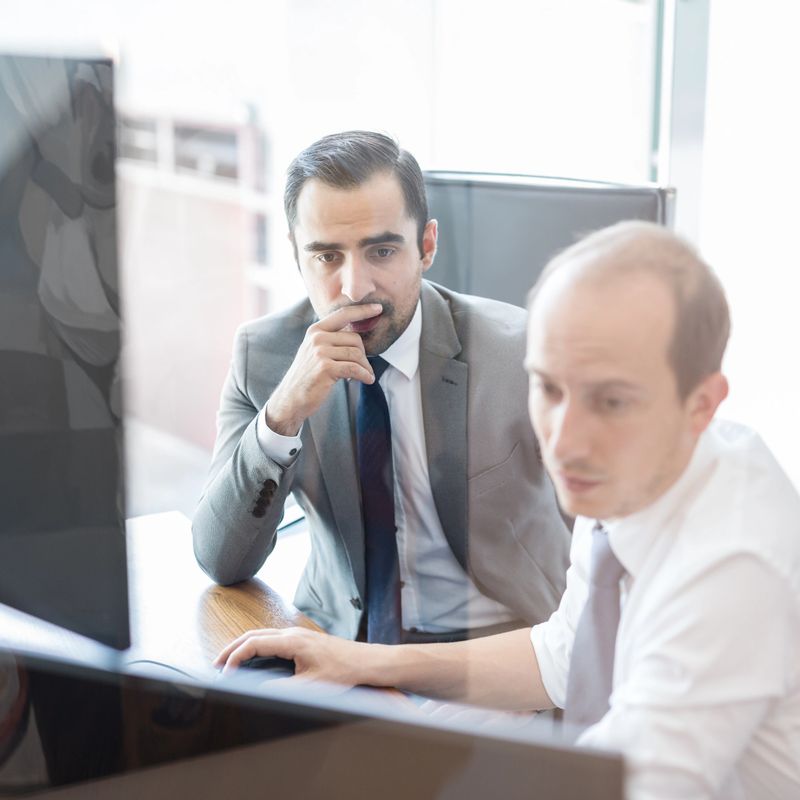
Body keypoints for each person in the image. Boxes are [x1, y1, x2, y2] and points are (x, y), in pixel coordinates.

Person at [216, 222, 800, 799]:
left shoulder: (731, 565)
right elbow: (562, 655)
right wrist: (360, 661)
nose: (565, 441)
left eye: (612, 400)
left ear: (701, 405)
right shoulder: (637, 468)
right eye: (549, 388)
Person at [192, 131, 570, 642]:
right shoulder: (263, 356)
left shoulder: (522, 351)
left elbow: (611, 536)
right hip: (340, 646)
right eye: (326, 257)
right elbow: (220, 558)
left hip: (496, 648)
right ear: (295, 254)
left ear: (426, 246)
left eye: (382, 251)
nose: (355, 287)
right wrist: (281, 417)